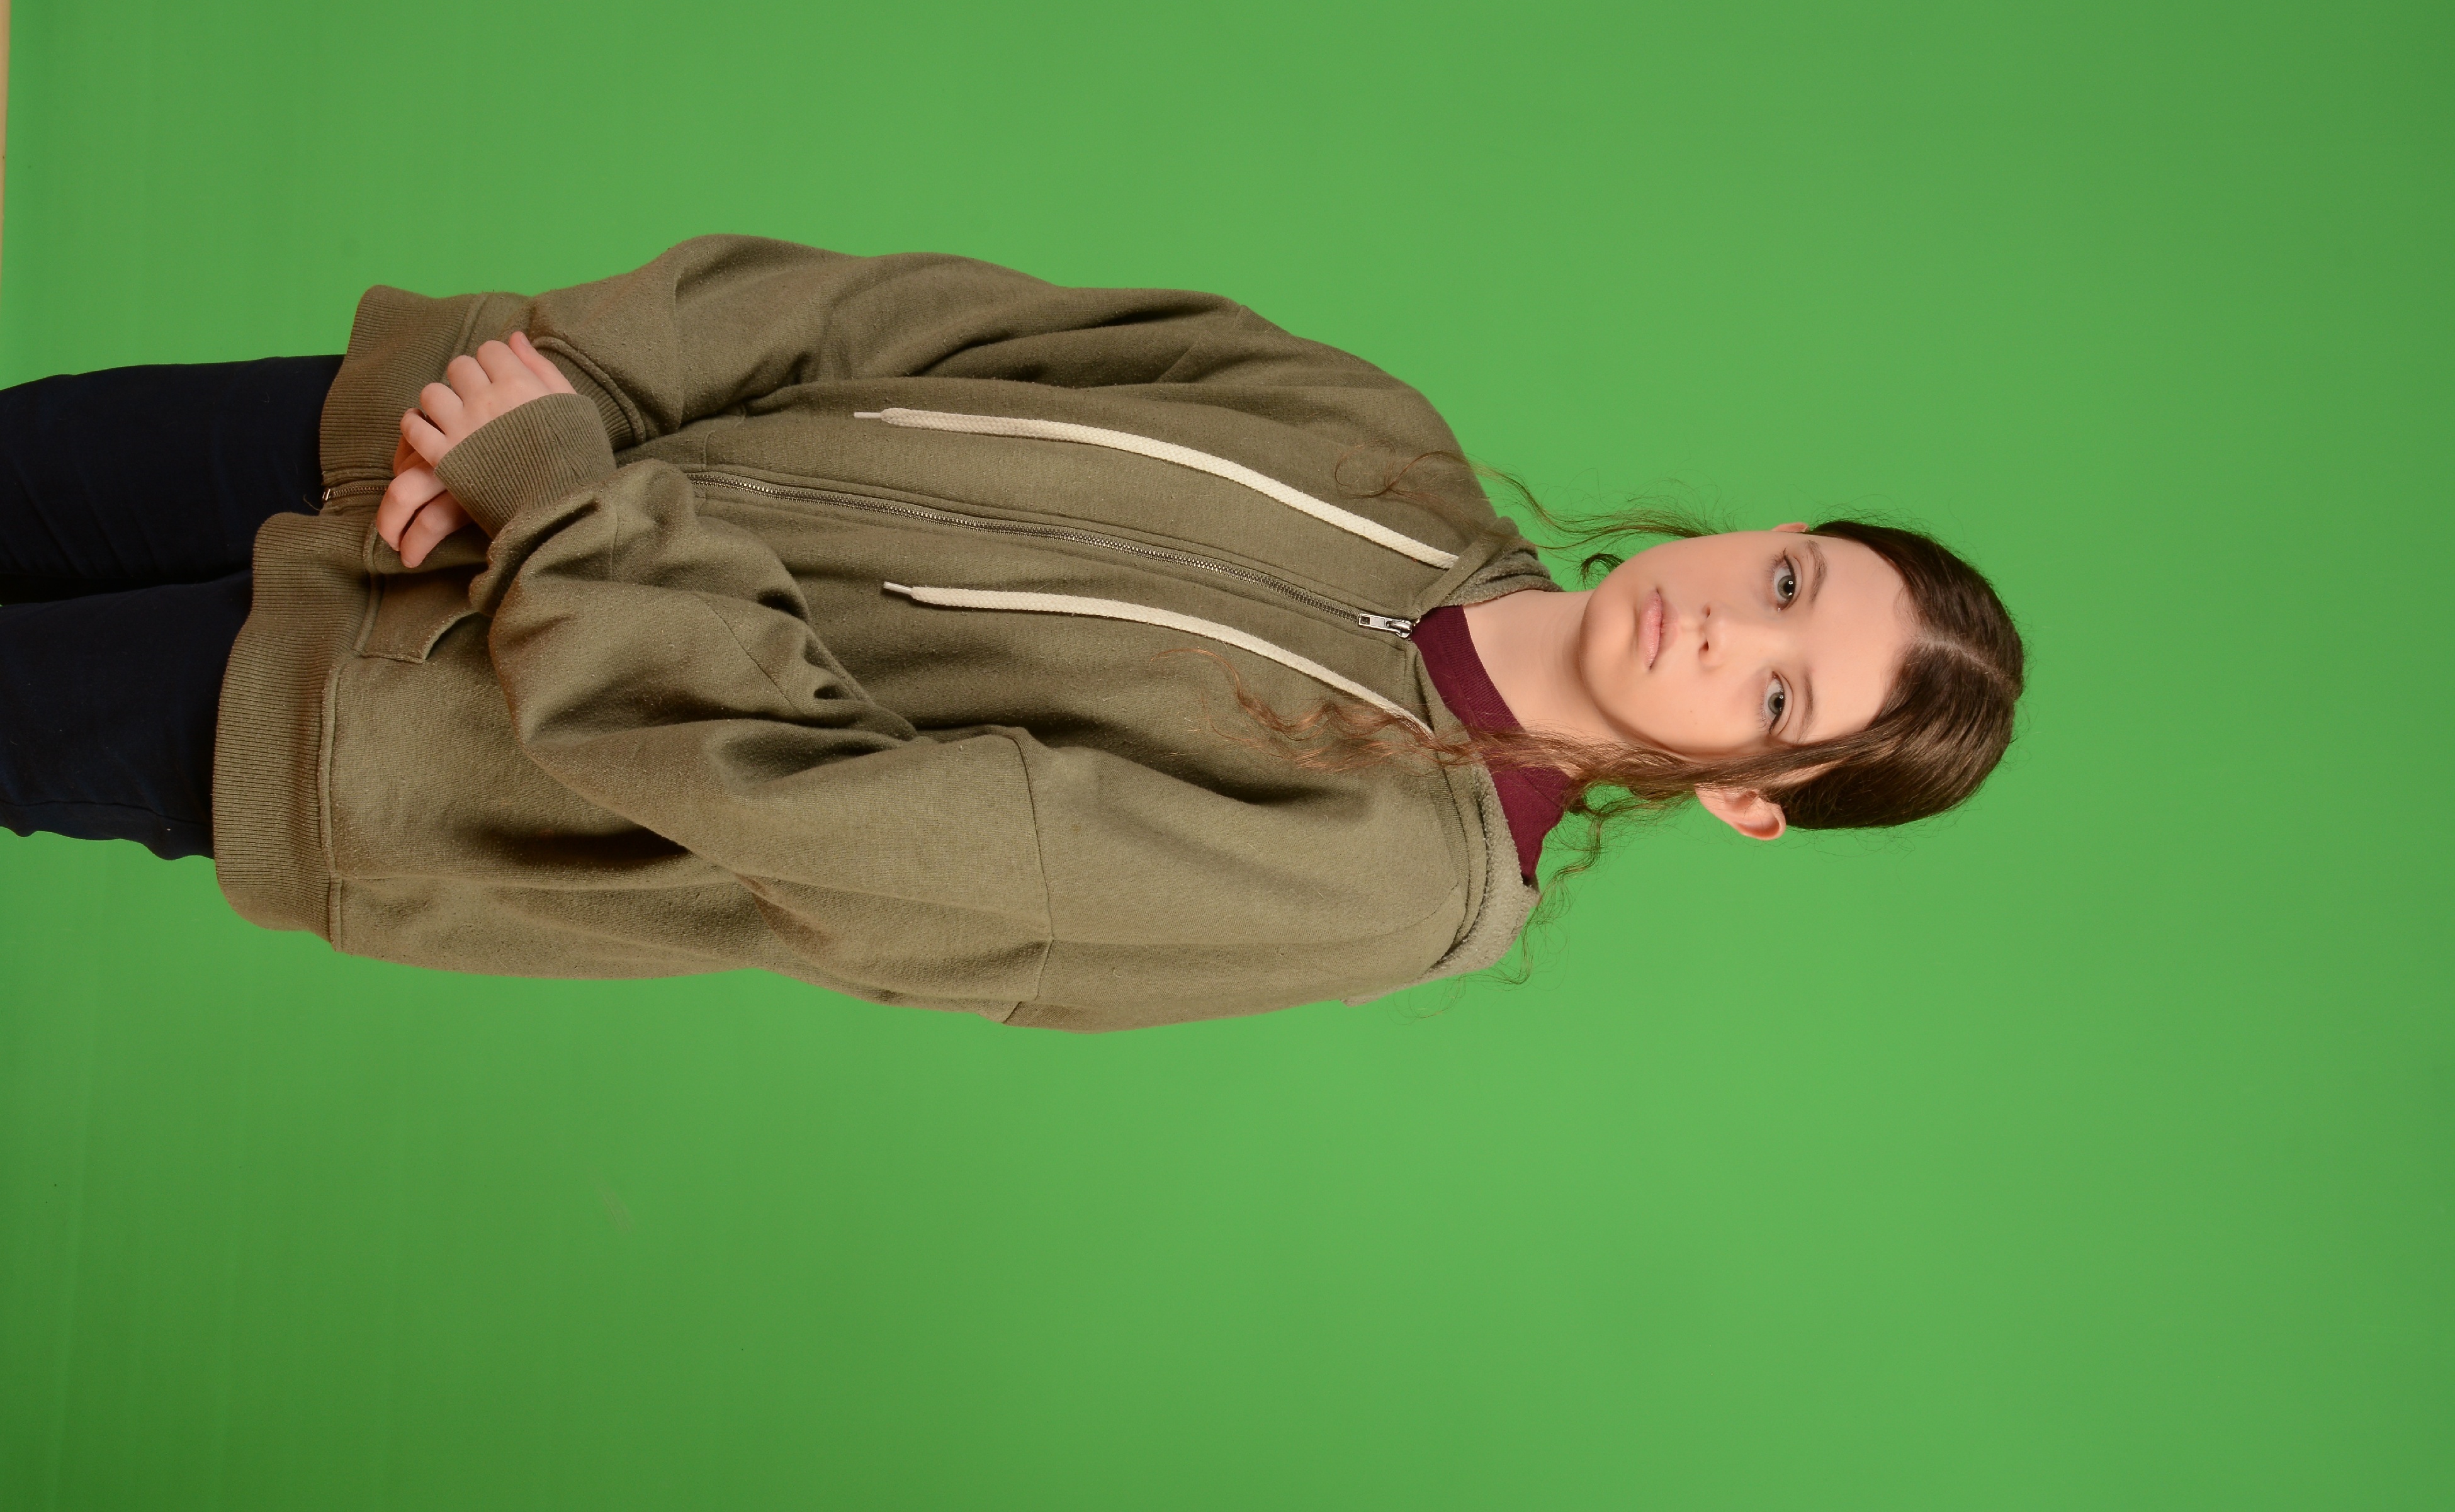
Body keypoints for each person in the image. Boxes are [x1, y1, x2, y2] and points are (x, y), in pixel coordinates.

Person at [0, 237, 2024, 1030]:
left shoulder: (1391, 880)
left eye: (1780, 694)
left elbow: (839, 827)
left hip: (403, 718)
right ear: (1766, 529)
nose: (1722, 630)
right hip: (448, 429)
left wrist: (559, 503)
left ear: (1750, 796)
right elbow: (895, 318)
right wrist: (578, 392)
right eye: (1786, 580)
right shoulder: (1378, 438)